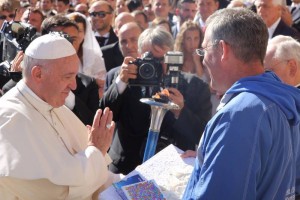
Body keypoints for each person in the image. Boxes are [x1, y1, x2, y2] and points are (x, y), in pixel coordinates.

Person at [183, 8, 300, 199]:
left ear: (223, 49)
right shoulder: (277, 101)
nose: (202, 60)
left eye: (204, 50)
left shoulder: (240, 115)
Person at [0, 33, 119, 199]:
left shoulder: (53, 105)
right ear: (38, 74)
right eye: (67, 77)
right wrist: (96, 151)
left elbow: (96, 179)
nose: (74, 85)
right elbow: (58, 192)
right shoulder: (10, 118)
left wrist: (127, 182)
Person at [100, 26, 212, 175]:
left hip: (171, 171)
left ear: (172, 56)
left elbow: (204, 135)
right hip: (125, 168)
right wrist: (121, 82)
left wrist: (181, 112)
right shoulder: (121, 77)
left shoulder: (196, 87)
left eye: (161, 59)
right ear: (139, 55)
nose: (155, 65)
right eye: (149, 58)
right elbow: (104, 115)